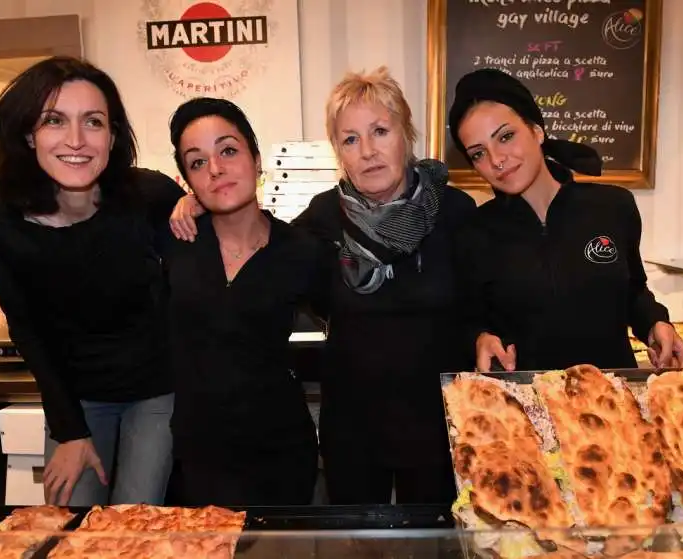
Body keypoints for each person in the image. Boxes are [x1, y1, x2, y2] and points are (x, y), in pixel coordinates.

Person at [170, 67, 477, 505]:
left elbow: (486, 297)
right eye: (350, 139)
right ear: (338, 152)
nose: (367, 151)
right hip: (354, 430)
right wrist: (199, 199)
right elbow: (262, 247)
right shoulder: (323, 218)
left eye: (380, 131)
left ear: (406, 134)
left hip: (440, 428)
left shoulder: (454, 211)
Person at [0, 56, 184, 506]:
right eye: (54, 120)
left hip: (156, 389)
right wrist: (69, 431)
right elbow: (26, 328)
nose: (76, 141)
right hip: (75, 396)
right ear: (29, 134)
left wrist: (195, 206)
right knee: (69, 525)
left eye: (93, 122)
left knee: (136, 522)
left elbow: (207, 260)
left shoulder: (149, 195)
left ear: (112, 135)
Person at [448, 68, 683, 372]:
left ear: (536, 130)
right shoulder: (474, 231)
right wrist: (480, 338)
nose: (496, 159)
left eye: (506, 137)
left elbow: (632, 291)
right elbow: (469, 317)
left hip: (611, 401)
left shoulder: (613, 206)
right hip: (526, 407)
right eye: (478, 153)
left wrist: (655, 323)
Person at [165, 97, 325, 506]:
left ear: (256, 158)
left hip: (281, 452)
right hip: (196, 460)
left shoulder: (301, 249)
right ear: (187, 179)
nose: (215, 168)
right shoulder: (173, 243)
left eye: (228, 150)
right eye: (197, 162)